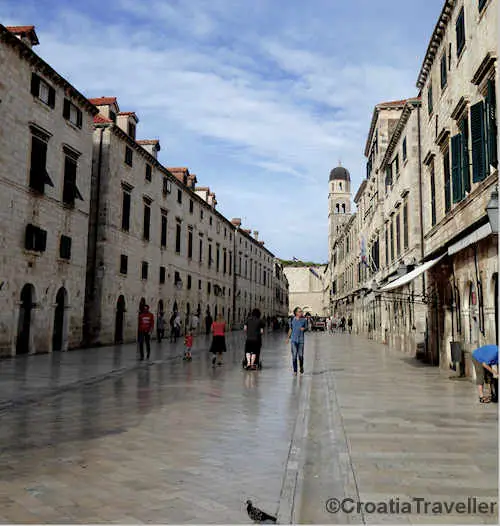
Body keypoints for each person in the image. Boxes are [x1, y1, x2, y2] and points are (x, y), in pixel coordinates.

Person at [286, 307, 308, 376]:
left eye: (301, 311)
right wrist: (287, 338)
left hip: (301, 340)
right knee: (294, 356)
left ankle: (301, 367)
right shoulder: (292, 320)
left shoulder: (304, 320)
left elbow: (307, 328)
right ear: (296, 313)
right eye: (299, 311)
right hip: (293, 340)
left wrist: (304, 329)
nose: (301, 312)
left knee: (301, 356)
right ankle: (295, 371)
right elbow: (290, 329)